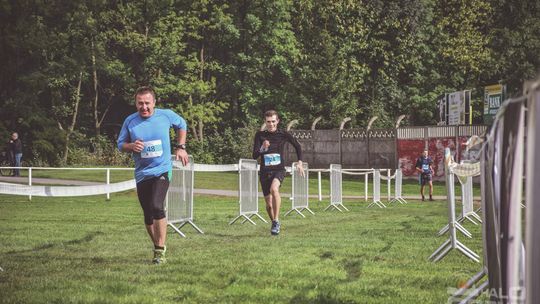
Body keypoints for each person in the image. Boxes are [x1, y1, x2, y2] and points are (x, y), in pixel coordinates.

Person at [117, 86, 189, 264]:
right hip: (142, 173)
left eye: (147, 103)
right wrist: (131, 146)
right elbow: (120, 144)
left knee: (157, 206)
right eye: (140, 103)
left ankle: (159, 252)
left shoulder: (165, 115)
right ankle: (159, 246)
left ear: (154, 103)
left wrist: (181, 147)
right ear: (135, 103)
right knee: (148, 215)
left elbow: (182, 125)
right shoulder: (130, 121)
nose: (144, 107)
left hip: (162, 170)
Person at [252, 110, 304, 236]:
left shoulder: (283, 134)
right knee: (269, 205)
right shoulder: (259, 135)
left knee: (274, 189)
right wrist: (263, 148)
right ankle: (275, 223)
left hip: (278, 170)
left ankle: (275, 221)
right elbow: (254, 156)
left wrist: (300, 162)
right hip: (265, 172)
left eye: (273, 121)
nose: (271, 124)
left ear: (277, 121)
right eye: (268, 122)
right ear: (265, 122)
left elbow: (298, 146)